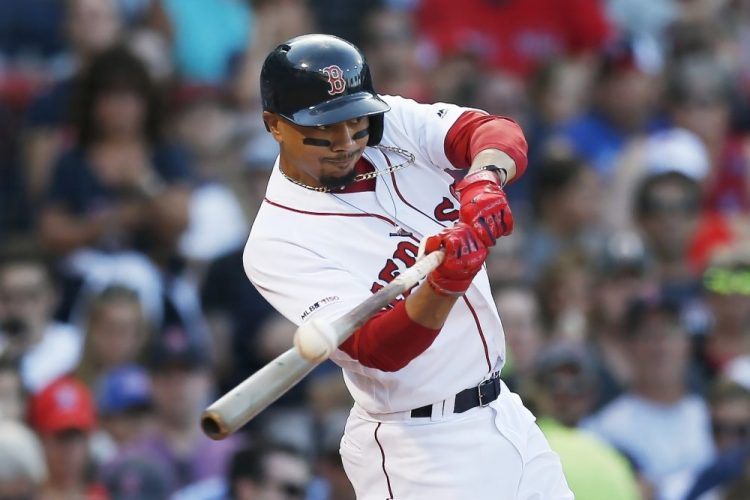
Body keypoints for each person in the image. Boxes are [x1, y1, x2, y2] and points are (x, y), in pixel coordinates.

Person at [243, 34, 572, 499]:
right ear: (274, 125)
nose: (345, 141)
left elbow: (492, 131)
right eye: (324, 128)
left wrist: (484, 179)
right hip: (419, 448)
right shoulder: (277, 241)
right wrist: (445, 283)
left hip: (505, 412)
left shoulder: (388, 126)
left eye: (353, 121)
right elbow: (376, 349)